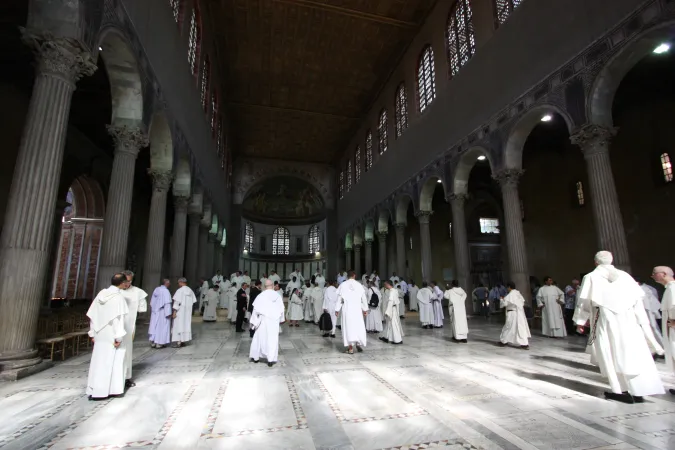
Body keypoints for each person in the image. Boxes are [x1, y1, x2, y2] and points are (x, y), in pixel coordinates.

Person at [574, 251, 665, 403]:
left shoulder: (591, 277)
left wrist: (580, 322)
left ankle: (620, 390)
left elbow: (584, 302)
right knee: (631, 352)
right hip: (629, 320)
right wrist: (643, 323)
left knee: (611, 352)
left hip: (606, 319)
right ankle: (637, 391)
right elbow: (637, 301)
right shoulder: (625, 276)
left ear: (596, 262)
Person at [86, 273, 129, 400]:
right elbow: (118, 320)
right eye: (125, 282)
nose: (127, 284)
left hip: (100, 333)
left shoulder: (100, 295)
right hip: (111, 333)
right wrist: (118, 338)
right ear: (121, 283)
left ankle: (94, 388)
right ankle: (111, 389)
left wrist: (92, 333)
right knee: (112, 361)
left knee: (98, 361)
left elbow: (93, 316)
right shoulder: (118, 298)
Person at [120, 270, 147, 389]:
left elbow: (142, 308)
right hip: (114, 326)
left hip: (128, 325)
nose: (127, 283)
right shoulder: (113, 292)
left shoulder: (137, 292)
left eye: (129, 281)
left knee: (127, 350)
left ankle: (126, 376)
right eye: (125, 281)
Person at [249, 280, 286, 367]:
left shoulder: (260, 296)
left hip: (262, 321)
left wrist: (253, 322)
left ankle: (256, 358)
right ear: (272, 286)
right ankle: (270, 360)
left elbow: (255, 310)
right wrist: (281, 320)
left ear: (264, 287)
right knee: (272, 340)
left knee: (259, 339)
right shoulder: (277, 295)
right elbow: (281, 309)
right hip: (273, 321)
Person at [651, 266, 675, 395]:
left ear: (664, 274)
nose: (652, 276)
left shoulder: (673, 288)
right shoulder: (669, 289)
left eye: (655, 273)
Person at [336, 271, 368, 354]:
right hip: (357, 310)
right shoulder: (359, 285)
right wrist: (365, 309)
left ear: (347, 276)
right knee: (357, 326)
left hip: (347, 310)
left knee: (348, 328)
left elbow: (340, 299)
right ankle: (358, 344)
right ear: (354, 276)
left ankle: (350, 348)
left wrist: (337, 309)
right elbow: (363, 298)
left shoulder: (342, 285)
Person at [499, 281, 531, 349]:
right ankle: (524, 343)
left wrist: (501, 300)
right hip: (519, 314)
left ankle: (503, 341)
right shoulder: (518, 294)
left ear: (509, 287)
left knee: (508, 327)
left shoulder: (510, 295)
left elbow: (503, 304)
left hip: (512, 313)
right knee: (520, 328)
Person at [637, 277, 664, 350]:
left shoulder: (645, 289)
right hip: (647, 311)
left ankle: (661, 347)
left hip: (648, 312)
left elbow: (648, 304)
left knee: (653, 328)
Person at [172, 278, 197, 347]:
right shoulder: (190, 291)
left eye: (178, 283)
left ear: (180, 282)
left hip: (180, 312)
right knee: (185, 325)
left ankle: (179, 342)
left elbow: (177, 302)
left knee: (178, 325)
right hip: (187, 312)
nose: (178, 284)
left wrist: (174, 312)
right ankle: (183, 341)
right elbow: (193, 301)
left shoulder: (180, 291)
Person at [148, 279, 172, 348]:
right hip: (162, 312)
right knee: (162, 327)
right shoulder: (166, 291)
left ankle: (153, 341)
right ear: (166, 283)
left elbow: (152, 301)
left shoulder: (156, 289)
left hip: (155, 311)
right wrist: (168, 313)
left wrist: (154, 309)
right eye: (169, 283)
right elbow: (167, 303)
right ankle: (159, 343)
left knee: (154, 326)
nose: (169, 284)